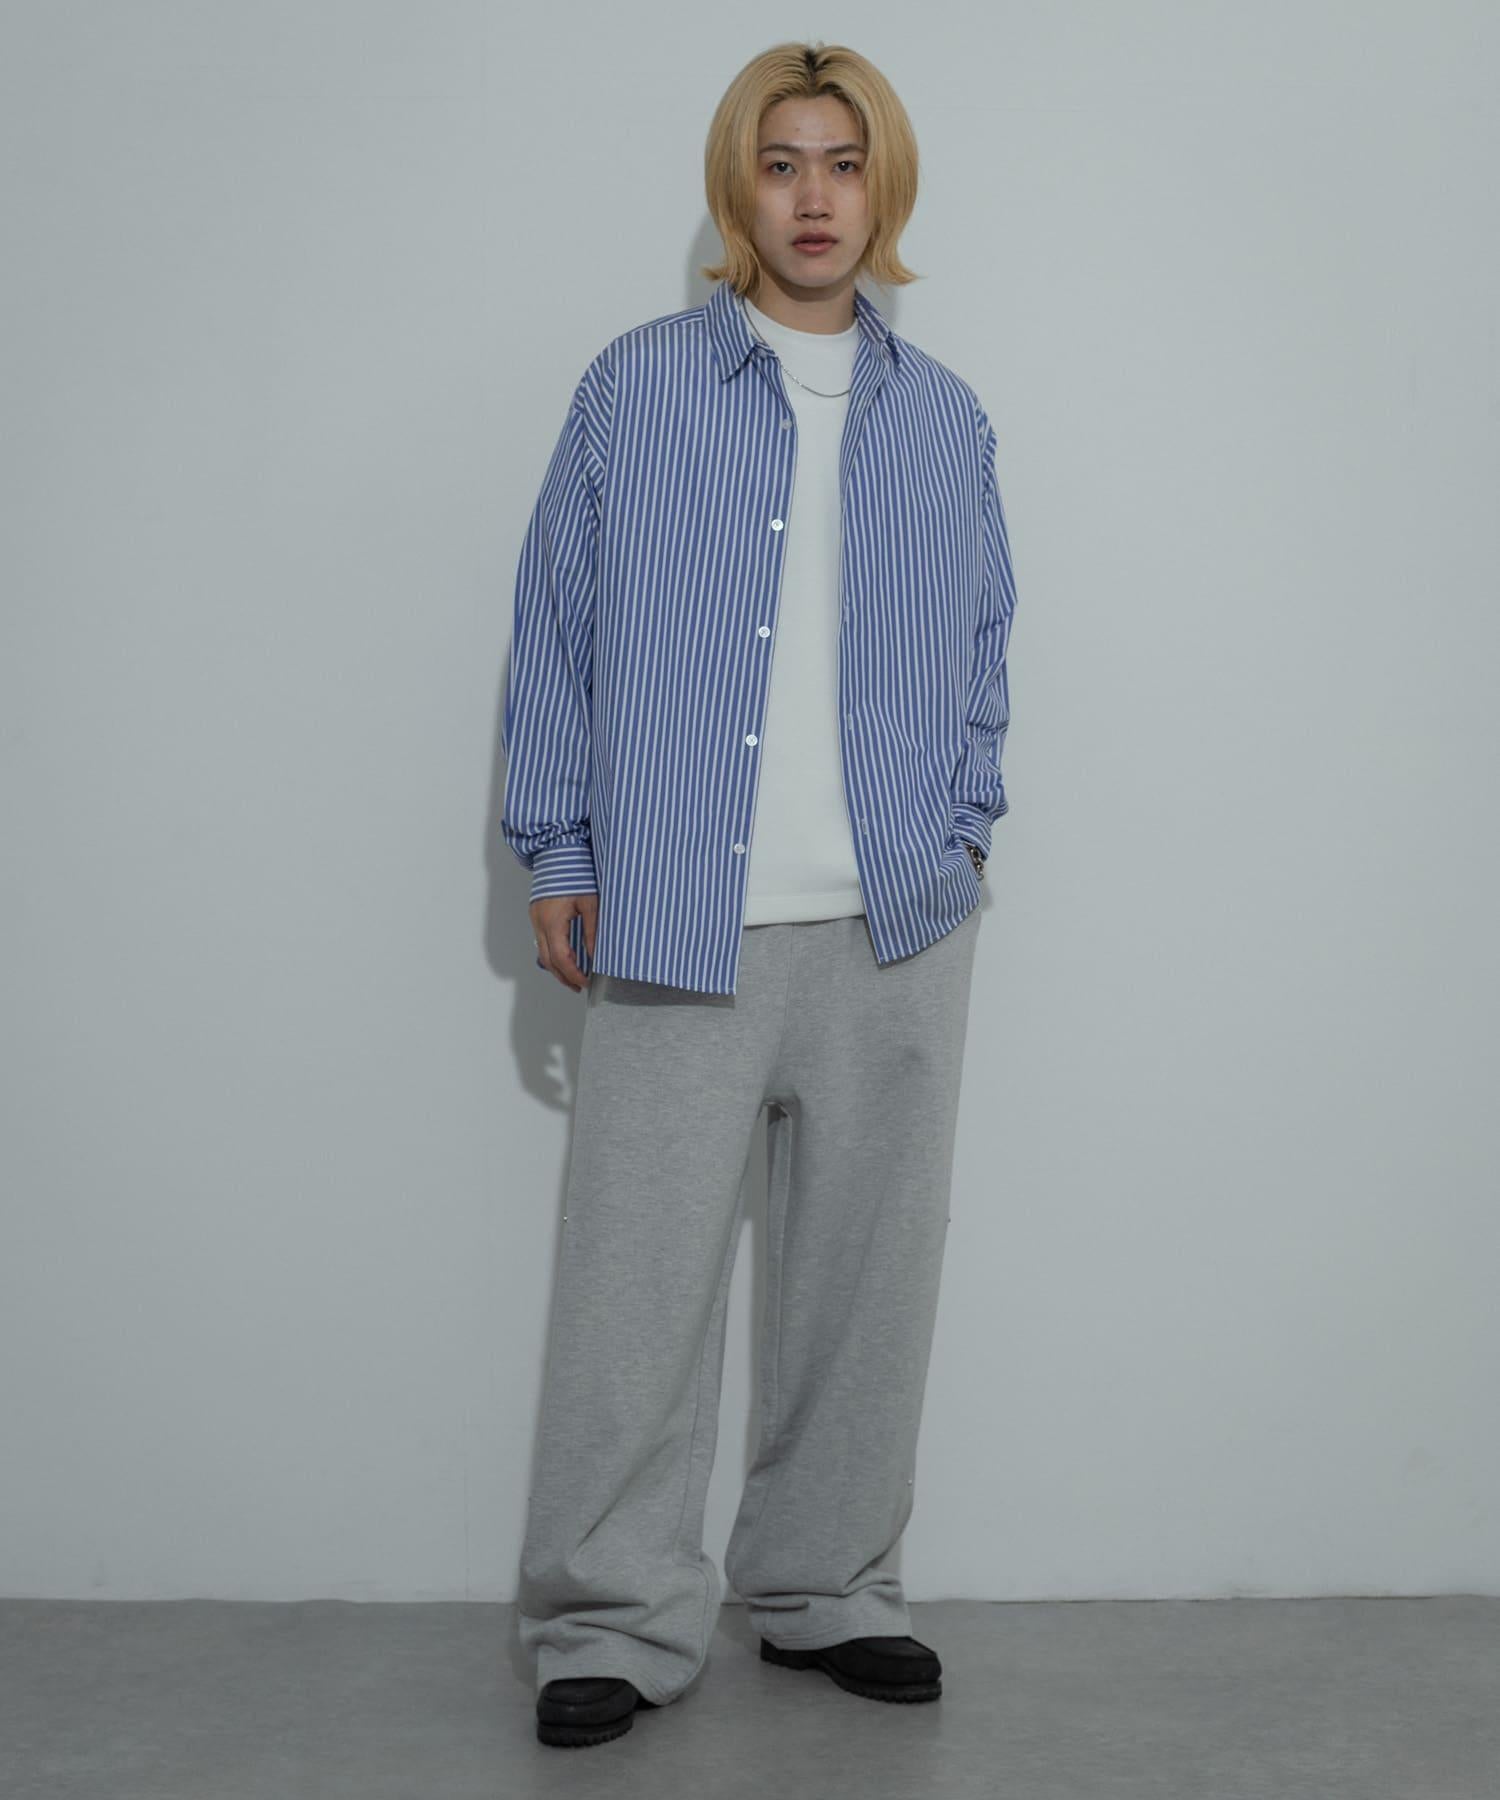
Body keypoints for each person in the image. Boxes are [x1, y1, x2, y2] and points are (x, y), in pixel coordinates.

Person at [499, 39, 1019, 1749]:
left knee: (867, 1286)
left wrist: (962, 832)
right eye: (783, 163)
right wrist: (561, 850)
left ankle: (826, 1587)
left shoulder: (943, 420)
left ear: (885, 189)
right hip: (675, 914)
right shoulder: (635, 388)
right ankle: (610, 1615)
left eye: (844, 164)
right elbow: (557, 627)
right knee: (634, 1293)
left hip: (896, 924)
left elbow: (984, 648)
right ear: (741, 185)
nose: (815, 197)